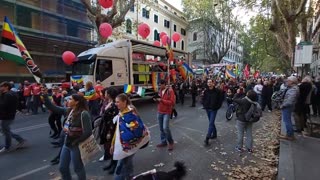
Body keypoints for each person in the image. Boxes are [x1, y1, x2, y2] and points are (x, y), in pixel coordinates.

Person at [42, 89, 92, 180]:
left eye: (70, 99)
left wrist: (76, 141)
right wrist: (45, 96)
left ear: (76, 102)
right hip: (67, 142)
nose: (67, 101)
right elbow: (53, 108)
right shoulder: (69, 110)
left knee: (78, 168)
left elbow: (88, 131)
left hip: (76, 145)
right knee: (62, 167)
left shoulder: (84, 114)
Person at [111, 93, 148, 180]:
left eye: (118, 102)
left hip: (128, 144)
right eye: (115, 102)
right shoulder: (122, 113)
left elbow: (136, 128)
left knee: (121, 165)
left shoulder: (129, 113)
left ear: (124, 102)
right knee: (127, 162)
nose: (116, 104)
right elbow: (118, 131)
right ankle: (130, 176)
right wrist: (113, 144)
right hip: (126, 144)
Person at [0, 81, 26, 153]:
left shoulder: (8, 95)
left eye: (1, 86)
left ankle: (8, 146)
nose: (0, 88)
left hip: (6, 116)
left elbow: (4, 105)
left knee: (6, 131)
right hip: (7, 115)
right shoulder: (7, 94)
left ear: (6, 87)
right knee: (5, 131)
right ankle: (20, 140)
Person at [99, 87, 119, 174]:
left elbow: (114, 119)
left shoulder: (114, 105)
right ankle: (112, 163)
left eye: (106, 93)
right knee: (108, 147)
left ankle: (115, 165)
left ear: (109, 95)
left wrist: (109, 131)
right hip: (106, 127)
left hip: (111, 129)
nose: (104, 94)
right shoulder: (107, 102)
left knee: (113, 147)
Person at [154, 80, 175, 151]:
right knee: (161, 128)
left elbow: (171, 102)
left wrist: (161, 100)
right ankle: (163, 142)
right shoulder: (159, 91)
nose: (159, 86)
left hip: (167, 112)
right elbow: (159, 100)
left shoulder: (170, 91)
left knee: (165, 128)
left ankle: (171, 142)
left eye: (160, 85)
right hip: (160, 111)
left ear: (164, 84)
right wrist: (156, 100)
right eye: (159, 85)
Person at [202, 79, 224, 146]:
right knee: (211, 122)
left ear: (213, 83)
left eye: (210, 82)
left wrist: (217, 107)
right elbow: (203, 98)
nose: (209, 83)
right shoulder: (206, 91)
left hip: (214, 109)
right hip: (207, 109)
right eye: (208, 82)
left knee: (211, 123)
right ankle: (214, 134)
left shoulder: (217, 91)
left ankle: (207, 138)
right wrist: (204, 104)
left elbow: (220, 100)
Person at [279, 76, 299, 141]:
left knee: (287, 121)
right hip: (288, 106)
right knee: (287, 120)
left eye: (288, 81)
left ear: (291, 82)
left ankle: (290, 135)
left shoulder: (294, 89)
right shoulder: (292, 88)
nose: (286, 82)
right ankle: (289, 134)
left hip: (287, 107)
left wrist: (283, 105)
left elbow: (290, 101)